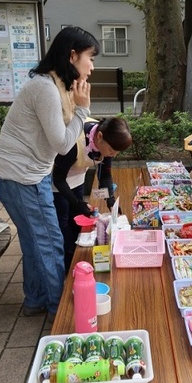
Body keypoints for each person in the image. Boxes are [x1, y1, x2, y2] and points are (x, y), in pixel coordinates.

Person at [0, 26, 100, 322]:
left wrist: (79, 108)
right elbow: (63, 144)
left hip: (17, 174)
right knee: (50, 242)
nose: (92, 65)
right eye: (90, 57)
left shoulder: (56, 85)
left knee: (32, 239)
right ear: (72, 55)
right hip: (22, 177)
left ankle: (35, 299)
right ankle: (59, 310)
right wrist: (82, 111)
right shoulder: (46, 89)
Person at [53, 117, 132, 273]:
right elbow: (58, 179)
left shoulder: (106, 139)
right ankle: (66, 267)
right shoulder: (75, 141)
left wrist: (110, 200)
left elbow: (105, 176)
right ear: (100, 137)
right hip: (56, 183)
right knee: (63, 223)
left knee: (77, 221)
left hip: (77, 176)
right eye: (111, 151)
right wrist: (77, 202)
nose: (113, 155)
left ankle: (76, 261)